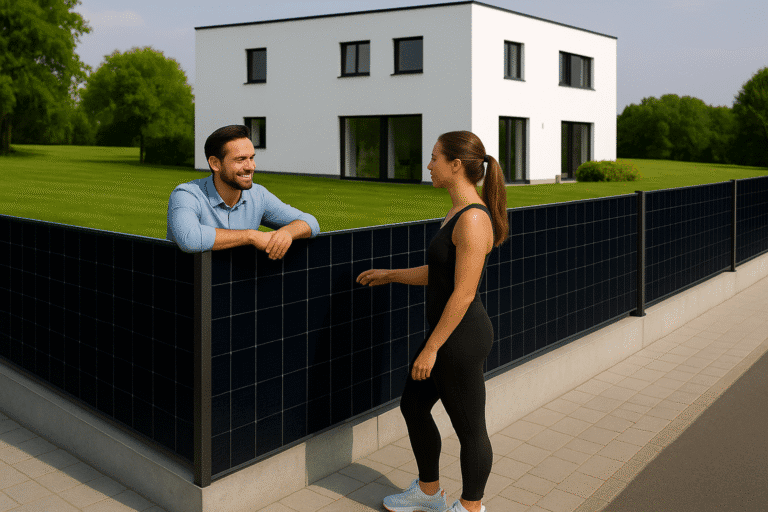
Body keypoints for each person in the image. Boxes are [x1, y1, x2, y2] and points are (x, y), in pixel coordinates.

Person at [357, 131, 508, 512]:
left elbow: (463, 293)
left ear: (455, 165)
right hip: (448, 336)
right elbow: (441, 273)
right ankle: (428, 493)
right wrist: (391, 275)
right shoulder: (457, 213)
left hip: (459, 340)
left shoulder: (473, 219)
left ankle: (470, 507)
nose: (428, 165)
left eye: (434, 158)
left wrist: (432, 348)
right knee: (413, 406)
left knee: (470, 428)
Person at [166, 125, 320, 256]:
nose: (250, 166)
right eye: (240, 159)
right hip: (194, 280)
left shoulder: (258, 195)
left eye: (251, 158)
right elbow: (189, 238)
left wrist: (287, 233)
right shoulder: (186, 194)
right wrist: (250, 236)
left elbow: (311, 222)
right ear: (215, 163)